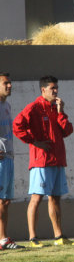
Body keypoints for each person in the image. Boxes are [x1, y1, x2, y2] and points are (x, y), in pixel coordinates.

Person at [13, 75, 74, 247]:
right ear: (43, 90)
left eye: (56, 88)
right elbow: (17, 125)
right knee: (37, 198)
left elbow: (68, 131)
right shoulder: (33, 108)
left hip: (57, 160)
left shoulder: (55, 108)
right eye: (52, 88)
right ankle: (33, 238)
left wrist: (61, 112)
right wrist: (34, 142)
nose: (56, 91)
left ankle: (59, 236)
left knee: (55, 198)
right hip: (41, 161)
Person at [0, 72, 24, 250]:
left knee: (5, 201)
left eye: (10, 83)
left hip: (8, 157)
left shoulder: (6, 105)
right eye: (5, 83)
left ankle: (3, 239)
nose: (9, 86)